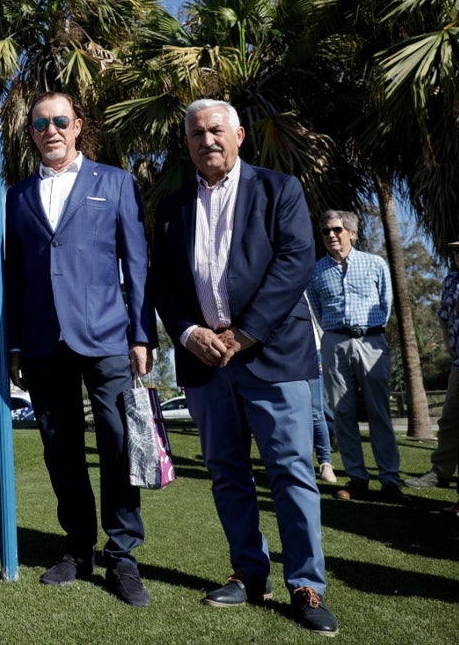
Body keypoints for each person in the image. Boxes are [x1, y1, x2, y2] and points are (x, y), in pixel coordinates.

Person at [150, 98, 338, 636]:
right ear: (186, 143)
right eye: (195, 133)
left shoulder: (280, 190)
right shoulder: (173, 206)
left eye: (215, 130)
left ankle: (307, 584)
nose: (206, 140)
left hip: (273, 358)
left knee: (291, 474)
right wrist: (188, 332)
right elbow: (162, 280)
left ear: (238, 137)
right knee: (227, 475)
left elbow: (295, 261)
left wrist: (245, 331)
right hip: (205, 364)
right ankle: (249, 573)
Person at [3, 91, 156, 607]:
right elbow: (15, 276)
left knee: (117, 446)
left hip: (107, 336)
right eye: (41, 122)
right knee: (59, 449)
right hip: (44, 342)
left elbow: (135, 262)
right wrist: (16, 344)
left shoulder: (112, 182)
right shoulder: (17, 194)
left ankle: (123, 555)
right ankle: (76, 547)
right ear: (32, 132)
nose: (51, 129)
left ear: (77, 127)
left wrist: (142, 334)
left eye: (60, 120)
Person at [306, 210, 408, 504]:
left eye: (336, 229)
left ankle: (389, 481)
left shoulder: (375, 264)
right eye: (325, 231)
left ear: (352, 233)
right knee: (343, 415)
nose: (330, 236)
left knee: (379, 413)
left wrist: (366, 332)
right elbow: (317, 308)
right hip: (335, 343)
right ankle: (357, 479)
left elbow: (385, 303)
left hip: (371, 341)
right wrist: (335, 335)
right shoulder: (316, 271)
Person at [406, 238, 459, 490]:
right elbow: (444, 315)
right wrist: (447, 341)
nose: (458, 255)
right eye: (456, 252)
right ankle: (441, 472)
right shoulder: (451, 280)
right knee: (449, 419)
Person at [308, 305, 337, 483]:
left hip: (312, 352)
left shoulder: (305, 290)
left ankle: (325, 463)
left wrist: (323, 355)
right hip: (284, 353)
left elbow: (318, 322)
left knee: (316, 412)